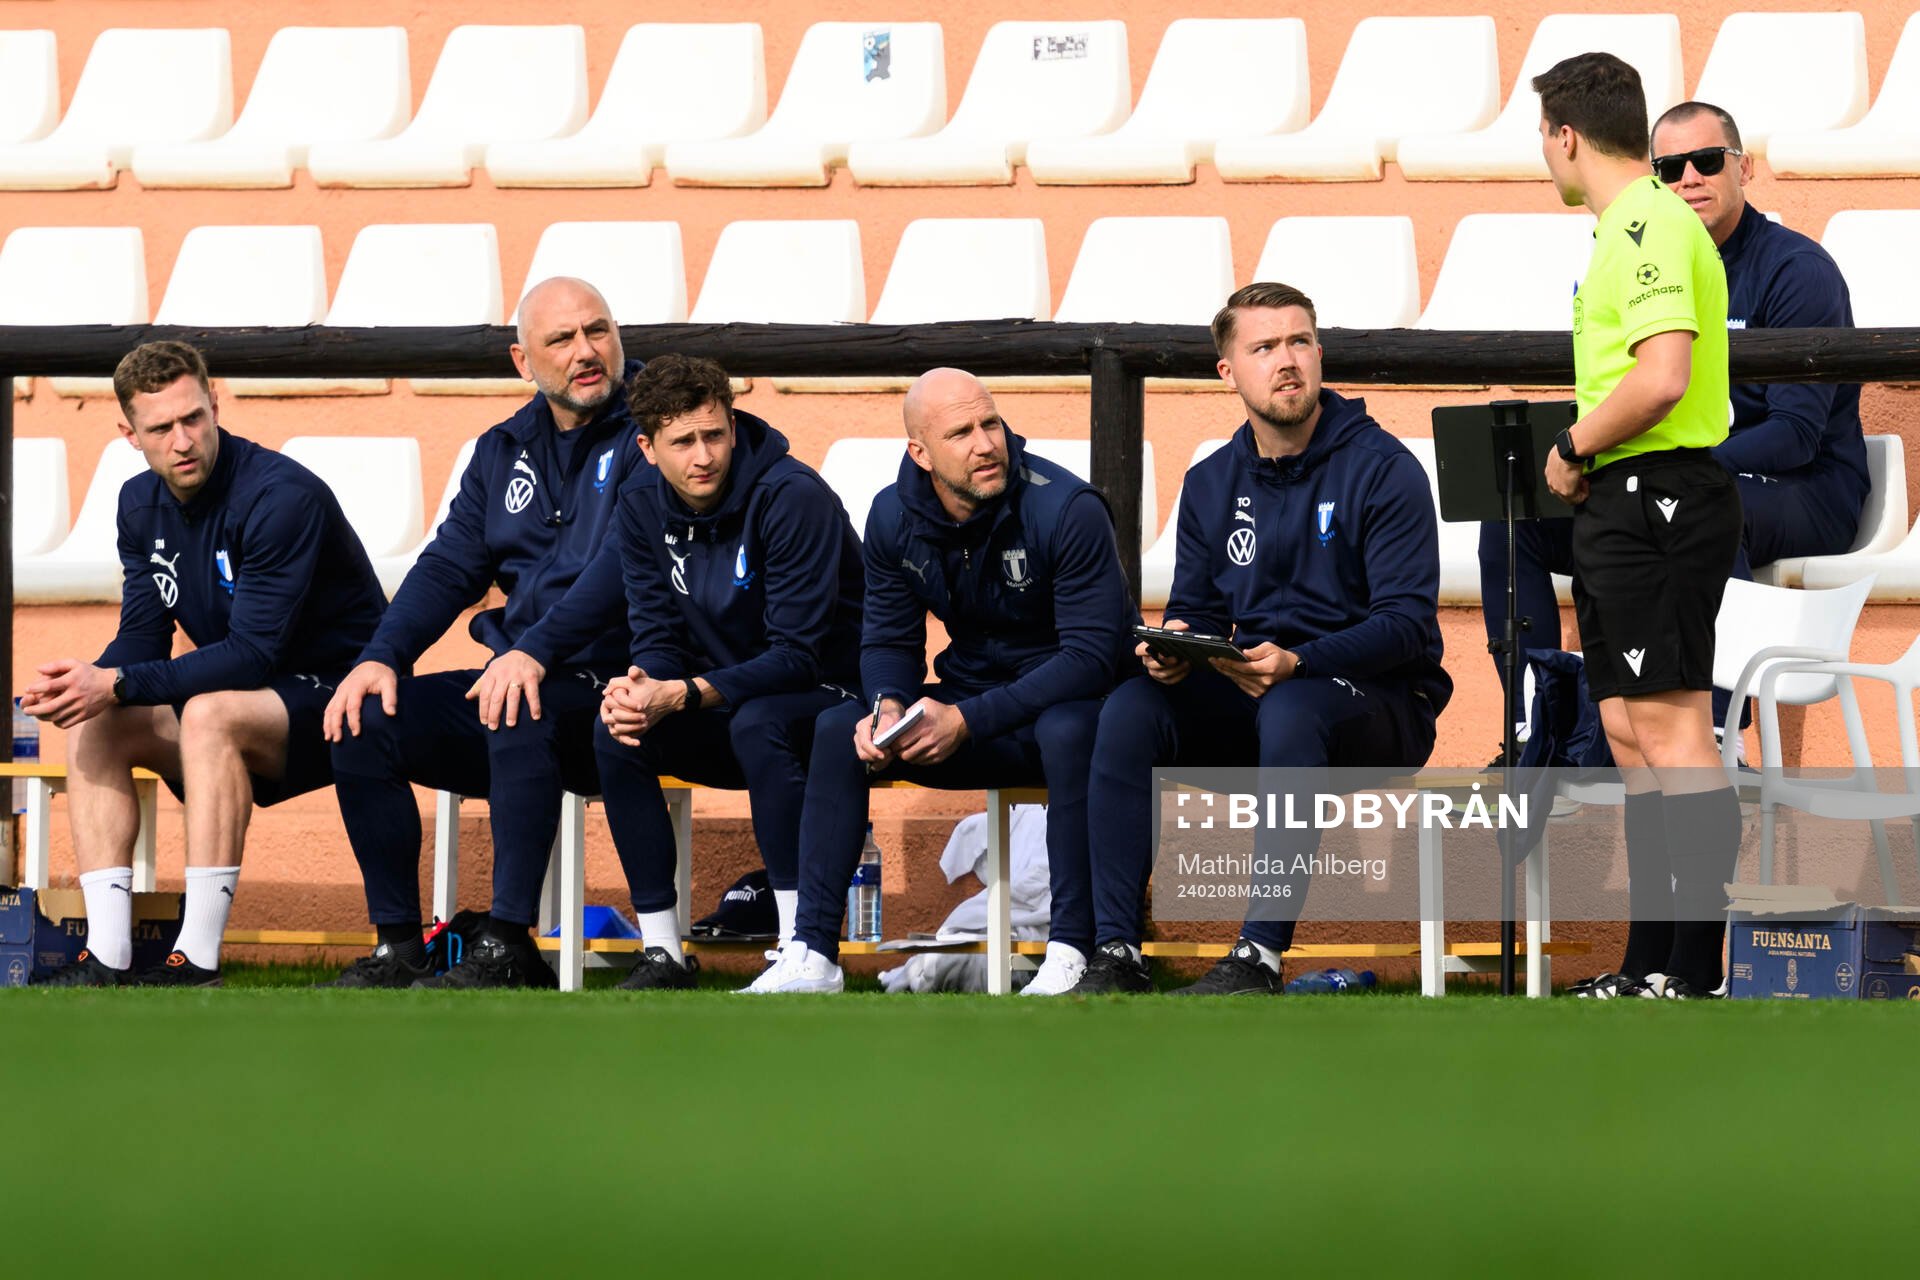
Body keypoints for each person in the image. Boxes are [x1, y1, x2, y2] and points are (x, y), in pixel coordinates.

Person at [1073, 283, 1452, 996]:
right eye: (1265, 347)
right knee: (1129, 709)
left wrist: (1301, 660)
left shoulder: (1383, 468)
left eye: (1300, 342)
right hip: (1258, 689)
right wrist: (1178, 649)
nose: (1288, 361)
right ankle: (1116, 952)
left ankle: (1258, 956)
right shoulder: (1212, 480)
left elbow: (1406, 625)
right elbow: (1196, 609)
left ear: (1319, 353)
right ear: (1229, 372)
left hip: (1376, 703)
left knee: (1292, 708)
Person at [1477, 99, 1867, 725]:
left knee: (1702, 501)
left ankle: (1716, 729)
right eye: (1670, 166)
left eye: (1707, 161)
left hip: (1807, 486)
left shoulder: (1796, 270)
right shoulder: (1639, 256)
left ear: (1746, 169)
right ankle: (1535, 724)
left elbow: (1795, 435)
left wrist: (1671, 467)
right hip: (1675, 474)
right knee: (1514, 517)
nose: (1689, 178)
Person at [751, 368, 1136, 995]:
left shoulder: (1067, 507)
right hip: (970, 703)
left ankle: (1071, 949)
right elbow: (887, 641)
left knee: (1072, 730)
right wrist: (888, 705)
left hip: (1062, 701)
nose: (985, 444)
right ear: (921, 452)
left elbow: (1092, 657)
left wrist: (967, 720)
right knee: (836, 730)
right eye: (961, 432)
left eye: (990, 424)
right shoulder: (890, 515)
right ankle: (813, 953)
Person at [23, 340, 386, 986]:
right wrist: (85, 685)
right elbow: (141, 637)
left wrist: (118, 682)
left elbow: (252, 656)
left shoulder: (281, 496)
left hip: (341, 705)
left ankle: (195, 960)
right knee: (96, 719)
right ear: (130, 435)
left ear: (216, 403)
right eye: (161, 428)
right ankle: (107, 958)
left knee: (209, 712)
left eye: (194, 418)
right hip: (238, 704)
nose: (183, 439)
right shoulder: (138, 504)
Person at [323, 278, 645, 990]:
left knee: (515, 702)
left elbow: (624, 567)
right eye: (561, 340)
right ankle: (399, 945)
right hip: (523, 677)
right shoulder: (501, 450)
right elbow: (449, 564)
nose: (586, 352)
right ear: (521, 361)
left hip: (626, 684)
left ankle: (506, 943)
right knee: (363, 717)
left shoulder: (656, 429)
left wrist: (532, 650)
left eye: (599, 331)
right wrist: (382, 656)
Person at [1532, 53, 1743, 1000]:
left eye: (1545, 140)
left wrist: (1573, 445)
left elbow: (1661, 376)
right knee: (1625, 727)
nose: (1547, 157)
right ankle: (1648, 960)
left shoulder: (1651, 223)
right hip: (1624, 499)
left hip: (1660, 493)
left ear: (1567, 135)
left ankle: (1695, 970)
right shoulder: (1625, 226)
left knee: (1674, 731)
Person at [592, 355, 864, 990]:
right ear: (648, 446)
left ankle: (801, 950)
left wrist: (683, 693)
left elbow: (797, 654)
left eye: (714, 434)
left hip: (828, 691)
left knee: (759, 721)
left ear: (734, 427)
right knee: (616, 728)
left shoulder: (792, 495)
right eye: (682, 441)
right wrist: (643, 687)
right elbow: (656, 634)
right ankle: (661, 950)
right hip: (724, 695)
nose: (702, 455)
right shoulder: (638, 505)